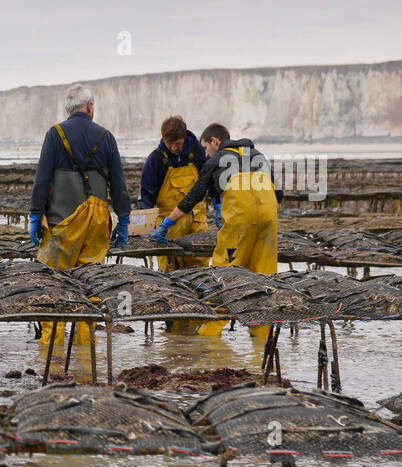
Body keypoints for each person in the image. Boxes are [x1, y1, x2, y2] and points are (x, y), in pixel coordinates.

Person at [150, 123, 280, 337]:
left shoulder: (215, 160)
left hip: (239, 222)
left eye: (205, 147)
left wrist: (167, 224)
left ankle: (210, 338)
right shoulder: (259, 157)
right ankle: (262, 336)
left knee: (224, 278)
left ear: (215, 142)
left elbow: (193, 197)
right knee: (264, 278)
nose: (204, 152)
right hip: (269, 219)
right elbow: (279, 196)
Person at [27, 83, 130, 348]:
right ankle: (85, 349)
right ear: (90, 107)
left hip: (63, 221)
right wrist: (124, 220)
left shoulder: (55, 134)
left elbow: (42, 179)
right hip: (97, 221)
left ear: (67, 109)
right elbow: (118, 184)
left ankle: (53, 350)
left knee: (55, 285)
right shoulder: (106, 137)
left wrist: (35, 215)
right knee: (90, 283)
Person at [140, 115, 212, 271]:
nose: (173, 148)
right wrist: (149, 226)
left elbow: (209, 179)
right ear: (163, 139)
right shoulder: (156, 159)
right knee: (170, 272)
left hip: (197, 225)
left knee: (202, 272)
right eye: (169, 144)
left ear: (184, 137)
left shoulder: (197, 152)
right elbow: (145, 196)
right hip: (168, 230)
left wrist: (219, 205)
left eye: (177, 143)